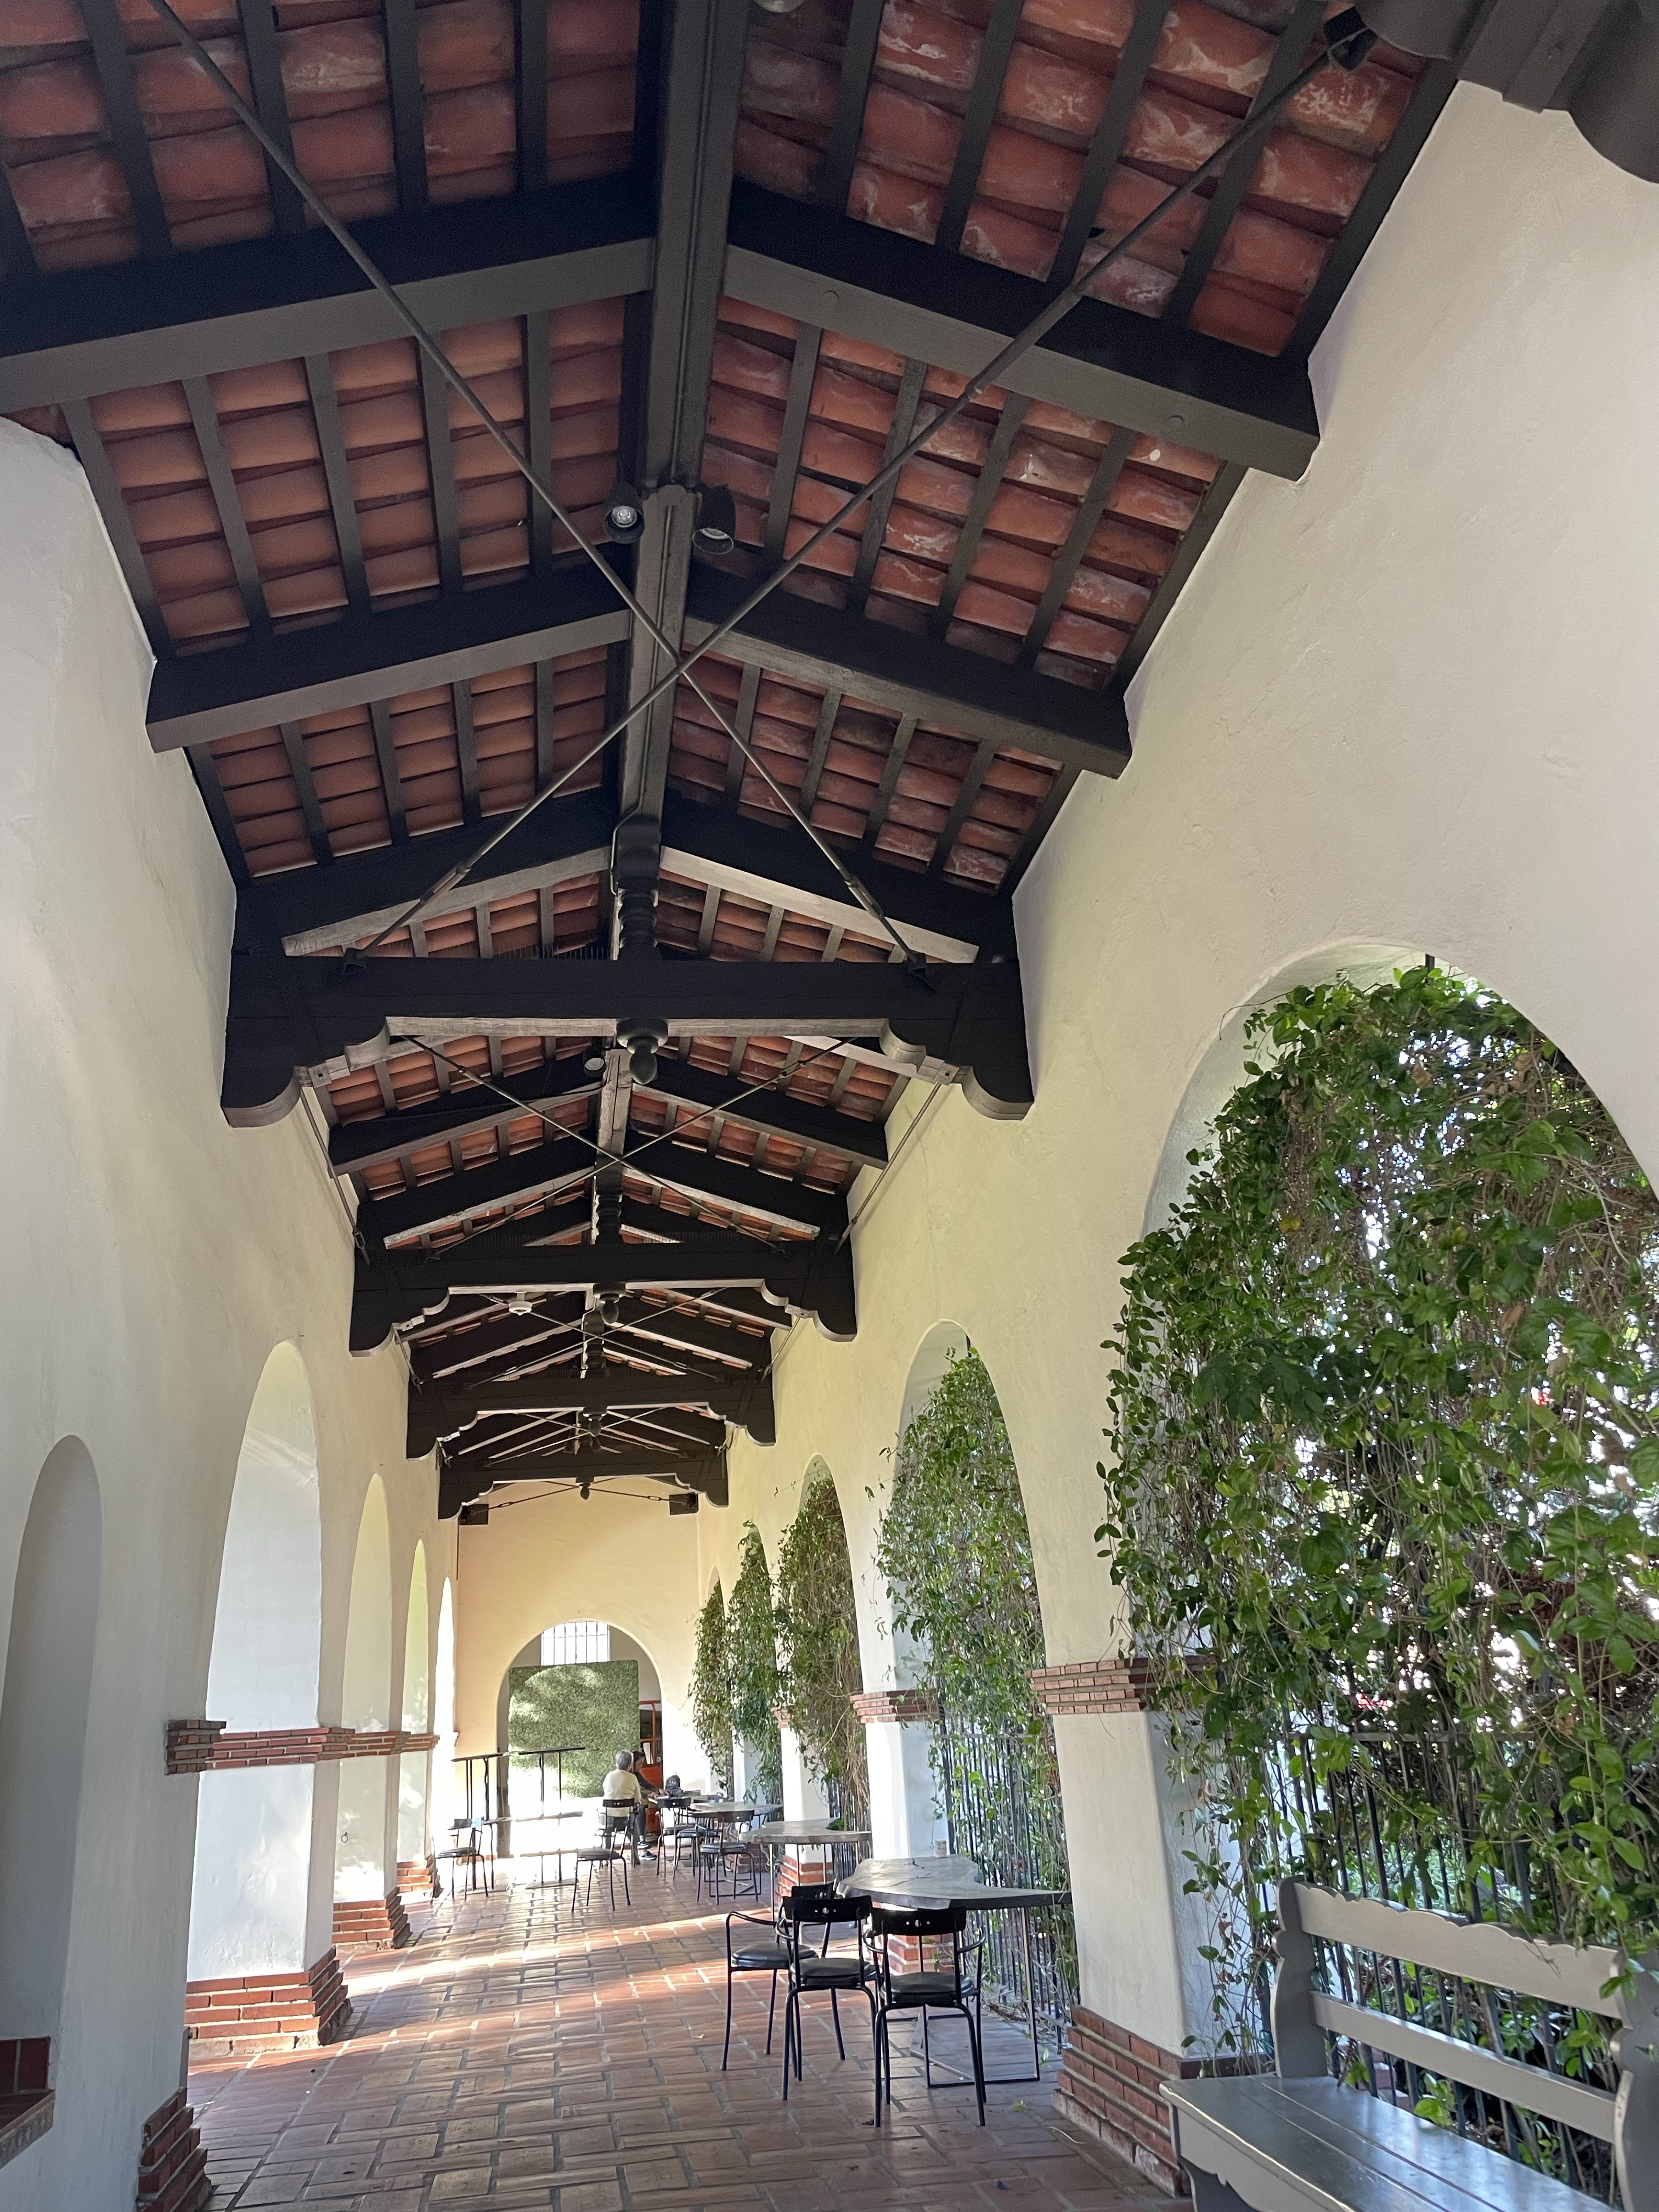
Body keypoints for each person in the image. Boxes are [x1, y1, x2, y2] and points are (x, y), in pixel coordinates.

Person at [601, 1748, 645, 1861]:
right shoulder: (632, 1777)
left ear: (616, 1763)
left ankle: (606, 1856)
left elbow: (606, 1792)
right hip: (626, 1819)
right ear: (630, 1765)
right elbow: (638, 1799)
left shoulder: (609, 1776)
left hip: (609, 1819)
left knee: (607, 1830)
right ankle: (635, 1855)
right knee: (633, 1827)